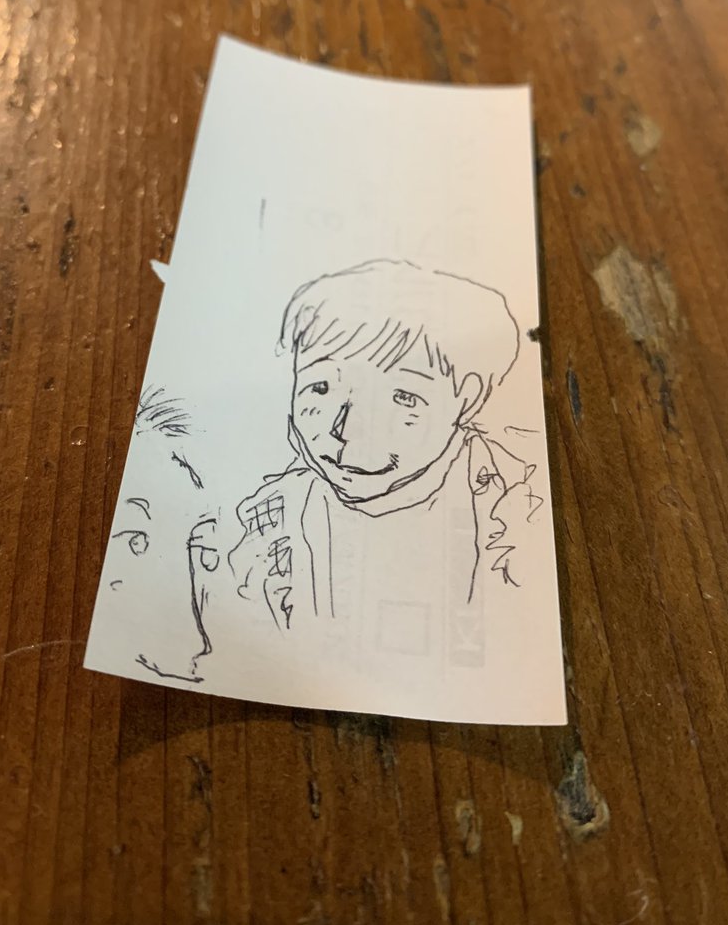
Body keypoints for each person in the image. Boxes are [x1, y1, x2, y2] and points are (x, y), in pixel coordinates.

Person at [190, 259, 539, 659]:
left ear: (467, 399)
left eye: (402, 397)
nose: (346, 429)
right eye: (320, 388)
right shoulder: (270, 517)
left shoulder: (515, 504)